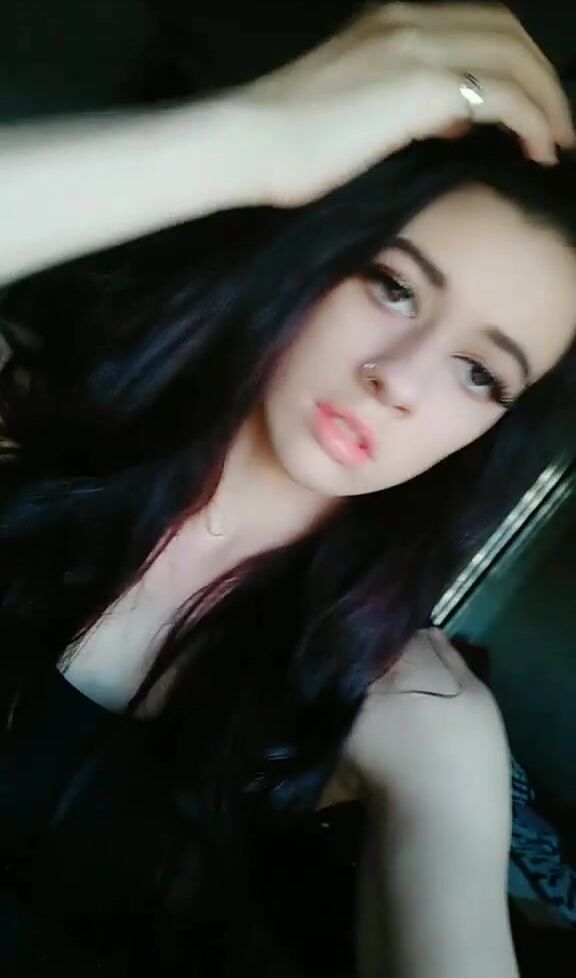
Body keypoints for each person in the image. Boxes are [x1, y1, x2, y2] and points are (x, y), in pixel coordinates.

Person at [0, 3, 575, 976]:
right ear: (316, 257)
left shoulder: (420, 713)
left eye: (481, 373)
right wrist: (255, 134)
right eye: (392, 286)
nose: (398, 379)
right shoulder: (23, 416)